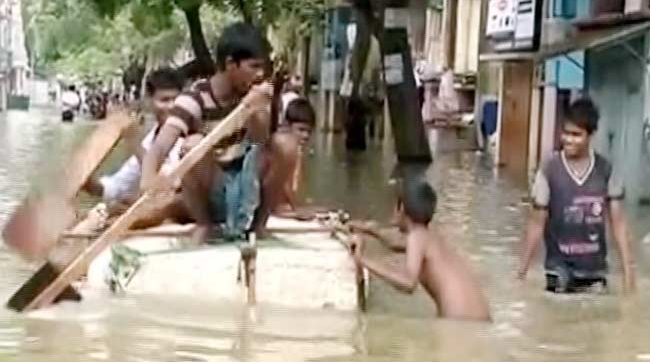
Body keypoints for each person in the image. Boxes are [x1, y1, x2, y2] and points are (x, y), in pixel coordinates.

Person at [141, 22, 273, 244]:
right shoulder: (193, 99)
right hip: (215, 192)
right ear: (231, 64)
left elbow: (263, 143)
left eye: (262, 67)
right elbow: (161, 146)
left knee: (285, 143)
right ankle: (204, 224)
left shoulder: (255, 95)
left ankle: (258, 225)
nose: (260, 74)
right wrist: (148, 180)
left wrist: (253, 110)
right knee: (193, 144)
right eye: (254, 66)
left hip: (246, 190)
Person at [517, 97, 635, 294]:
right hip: (558, 269)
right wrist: (521, 272)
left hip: (594, 271)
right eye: (566, 133)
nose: (568, 139)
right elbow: (536, 223)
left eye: (576, 135)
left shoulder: (605, 170)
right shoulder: (549, 170)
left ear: (591, 135)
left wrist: (628, 274)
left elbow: (619, 224)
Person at [350, 179, 491, 322]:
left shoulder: (416, 236)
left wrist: (363, 259)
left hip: (459, 322)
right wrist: (370, 229)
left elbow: (408, 283)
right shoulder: (429, 235)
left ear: (402, 208)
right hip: (479, 319)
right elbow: (395, 243)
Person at [83, 68, 187, 224]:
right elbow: (117, 186)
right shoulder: (150, 140)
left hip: (183, 213)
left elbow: (167, 183)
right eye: (164, 100)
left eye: (176, 100)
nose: (171, 107)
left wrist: (132, 141)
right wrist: (87, 183)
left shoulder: (190, 134)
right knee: (109, 210)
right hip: (160, 213)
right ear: (149, 101)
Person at [255, 97, 317, 234]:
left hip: (282, 207)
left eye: (309, 131)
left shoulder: (297, 152)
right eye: (301, 130)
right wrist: (296, 210)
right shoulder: (281, 148)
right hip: (272, 208)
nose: (305, 136)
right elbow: (282, 189)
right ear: (287, 126)